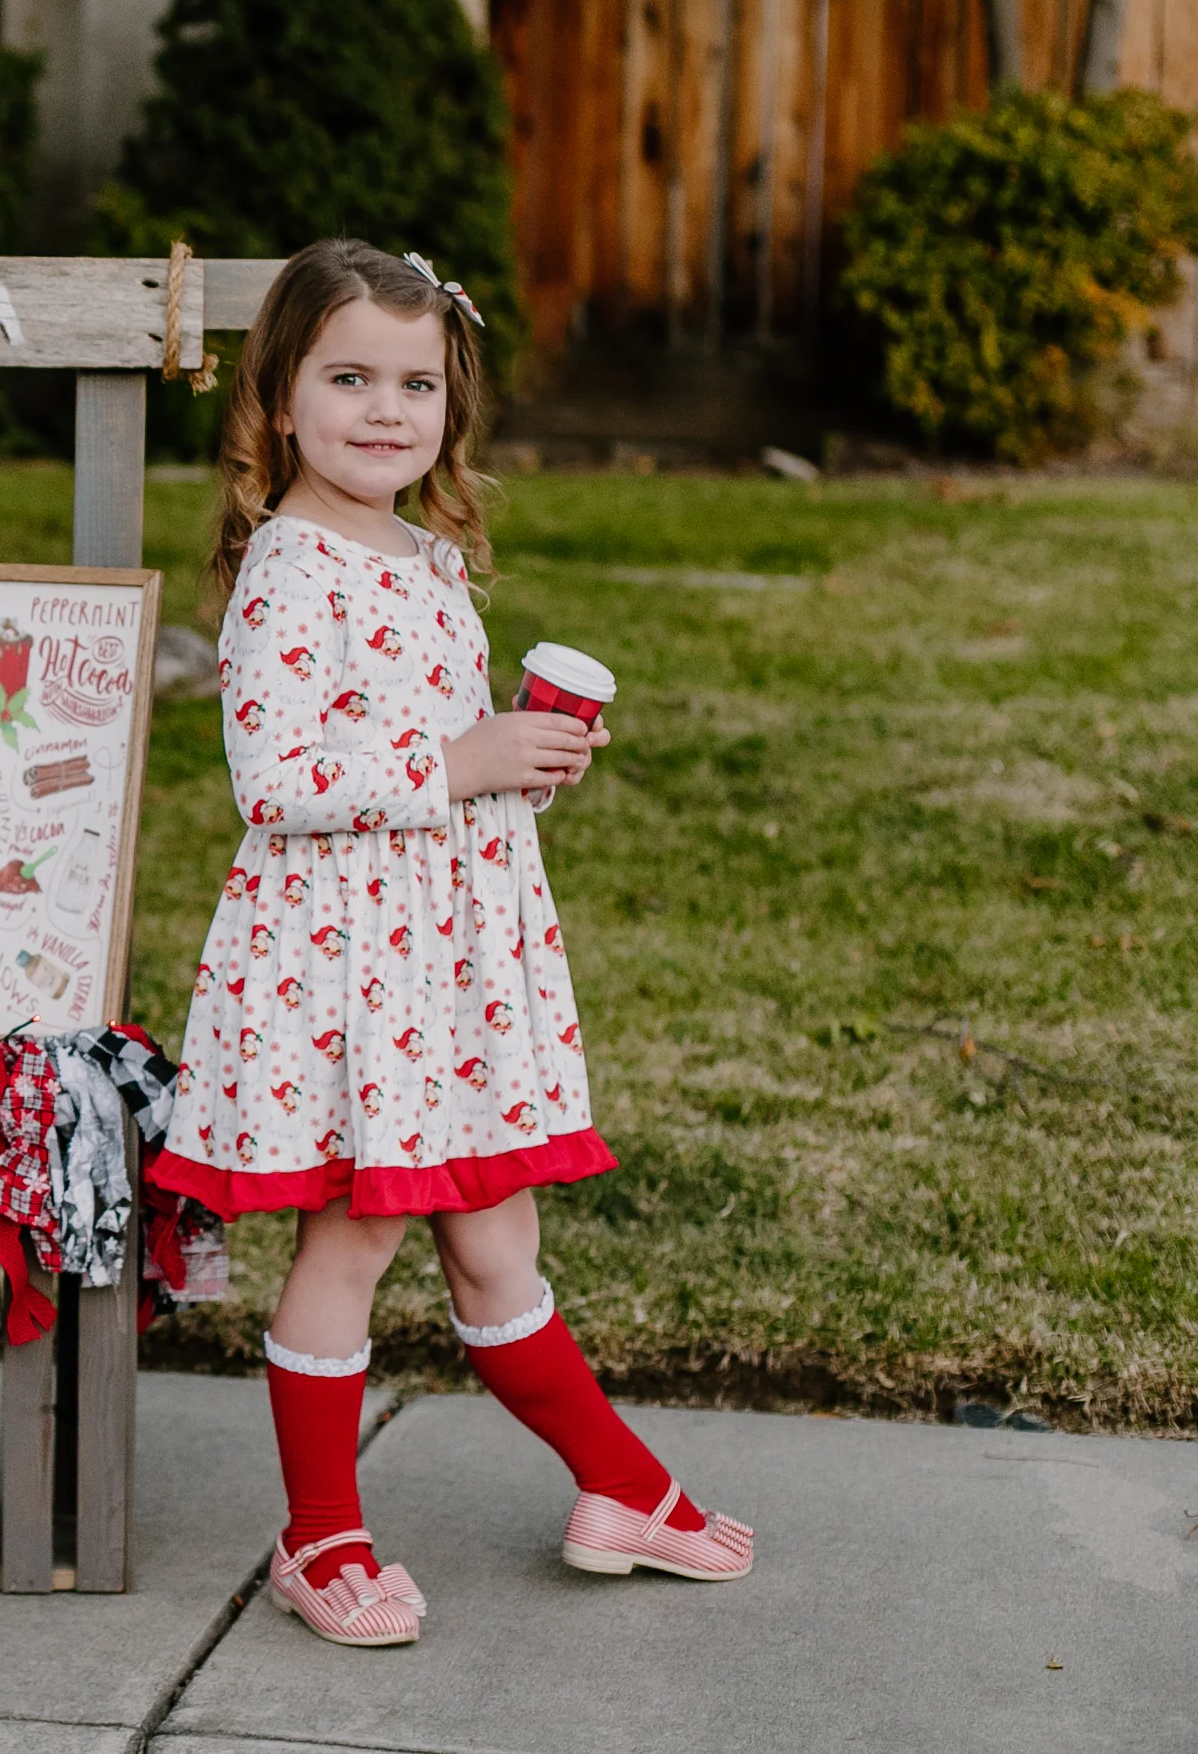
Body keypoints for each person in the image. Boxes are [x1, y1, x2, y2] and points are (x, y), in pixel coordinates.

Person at [150, 240, 753, 1650]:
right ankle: (320, 1537)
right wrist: (458, 756)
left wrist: (516, 761)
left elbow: (425, 748)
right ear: (279, 398)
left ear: (451, 403)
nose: (384, 409)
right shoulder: (289, 567)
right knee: (357, 1229)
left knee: (496, 1230)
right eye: (347, 376)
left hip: (446, 963)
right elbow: (278, 780)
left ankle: (619, 1488)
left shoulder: (421, 552)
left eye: (415, 383)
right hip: (352, 968)